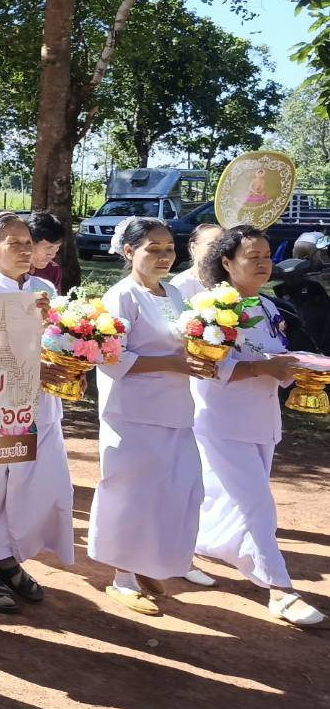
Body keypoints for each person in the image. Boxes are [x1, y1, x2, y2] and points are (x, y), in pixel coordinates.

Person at [187, 226, 323, 625]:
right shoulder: (209, 307)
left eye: (267, 256)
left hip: (262, 418)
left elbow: (277, 356)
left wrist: (296, 369)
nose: (264, 264)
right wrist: (265, 367)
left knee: (238, 499)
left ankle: (195, 544)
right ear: (227, 263)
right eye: (253, 257)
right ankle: (280, 591)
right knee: (256, 505)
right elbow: (207, 366)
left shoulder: (268, 306)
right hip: (221, 419)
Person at [89, 216, 218, 616]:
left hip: (177, 409)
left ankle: (147, 564)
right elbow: (112, 359)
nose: (164, 256)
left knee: (175, 491)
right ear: (129, 252)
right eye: (153, 248)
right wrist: (175, 365)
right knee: (133, 494)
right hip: (133, 413)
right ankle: (122, 576)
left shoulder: (175, 295)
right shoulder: (121, 296)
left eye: (169, 248)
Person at [0, 212, 76, 612]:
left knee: (32, 482)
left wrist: (73, 359)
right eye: (14, 243)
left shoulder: (43, 287)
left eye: (28, 242)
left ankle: (6, 554)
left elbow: (60, 341)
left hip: (41, 401)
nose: (25, 250)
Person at [170, 223, 224, 301]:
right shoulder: (181, 285)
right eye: (212, 245)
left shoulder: (228, 282)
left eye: (222, 246)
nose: (219, 250)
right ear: (193, 248)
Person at [27, 211, 65, 288]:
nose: (52, 255)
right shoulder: (8, 270)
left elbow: (55, 299)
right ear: (30, 243)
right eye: (49, 247)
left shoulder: (53, 270)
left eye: (57, 247)